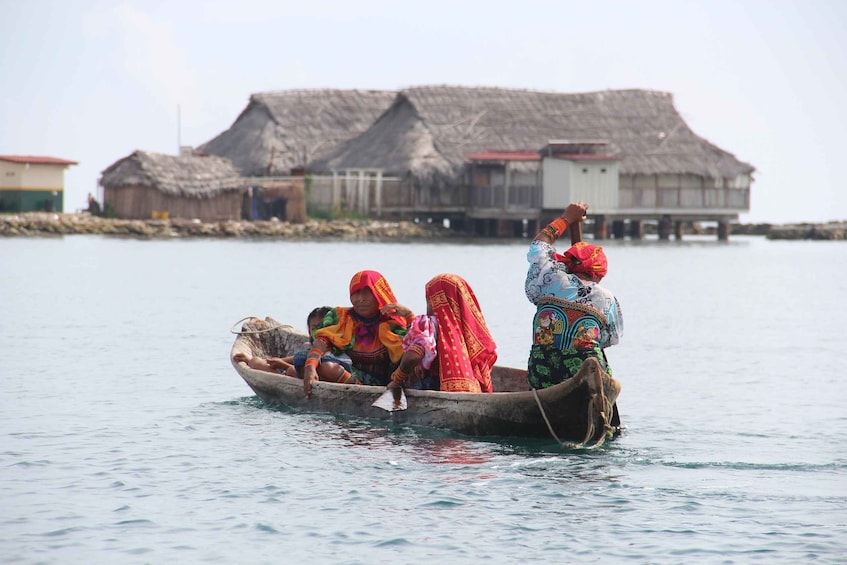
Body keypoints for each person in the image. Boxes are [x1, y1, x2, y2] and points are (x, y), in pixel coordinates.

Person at [524, 202, 623, 390]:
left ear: (569, 266)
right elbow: (609, 339)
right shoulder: (608, 299)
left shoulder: (549, 277)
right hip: (588, 377)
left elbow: (538, 248)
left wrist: (566, 219)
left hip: (542, 373)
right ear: (599, 274)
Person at [385, 273, 497, 402]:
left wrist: (397, 379)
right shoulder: (469, 330)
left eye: (429, 299)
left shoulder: (428, 324)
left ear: (436, 301)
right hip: (470, 388)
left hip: (434, 386)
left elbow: (413, 356)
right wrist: (409, 315)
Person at [303, 270, 414, 397]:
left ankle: (361, 393)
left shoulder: (391, 323)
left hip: (380, 384)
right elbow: (322, 340)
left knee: (327, 368)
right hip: (347, 372)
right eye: (356, 293)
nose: (360, 299)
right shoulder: (341, 317)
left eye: (367, 292)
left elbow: (413, 350)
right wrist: (310, 366)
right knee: (295, 369)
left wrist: (409, 316)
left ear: (378, 294)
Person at [232, 307, 352, 382]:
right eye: (315, 328)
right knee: (256, 362)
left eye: (324, 327)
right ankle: (282, 376)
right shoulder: (311, 351)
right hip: (299, 375)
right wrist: (250, 360)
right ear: (309, 331)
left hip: (329, 379)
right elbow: (276, 361)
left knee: (292, 371)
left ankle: (286, 373)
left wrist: (285, 366)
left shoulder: (341, 349)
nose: (319, 332)